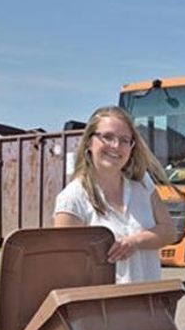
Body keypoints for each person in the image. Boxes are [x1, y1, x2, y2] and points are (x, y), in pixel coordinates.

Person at [54, 106, 177, 283]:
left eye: (124, 140)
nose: (116, 146)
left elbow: (169, 232)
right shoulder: (72, 199)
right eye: (107, 137)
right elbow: (66, 267)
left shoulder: (143, 185)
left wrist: (135, 242)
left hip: (149, 304)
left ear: (132, 146)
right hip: (102, 308)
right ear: (89, 142)